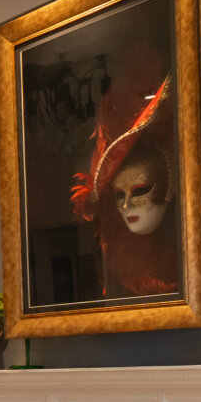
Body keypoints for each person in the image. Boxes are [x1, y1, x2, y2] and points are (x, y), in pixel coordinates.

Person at [69, 45, 180, 299]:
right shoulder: (121, 267)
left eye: (140, 190)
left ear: (170, 185)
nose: (128, 205)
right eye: (120, 195)